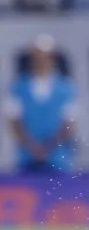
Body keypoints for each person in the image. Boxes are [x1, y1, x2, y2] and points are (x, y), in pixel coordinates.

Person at [6, 35, 77, 174]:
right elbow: (14, 123)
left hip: (58, 159)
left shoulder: (66, 88)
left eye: (45, 57)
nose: (41, 62)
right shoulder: (17, 87)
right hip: (26, 158)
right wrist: (33, 147)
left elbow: (68, 125)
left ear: (52, 59)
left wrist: (48, 148)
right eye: (37, 58)